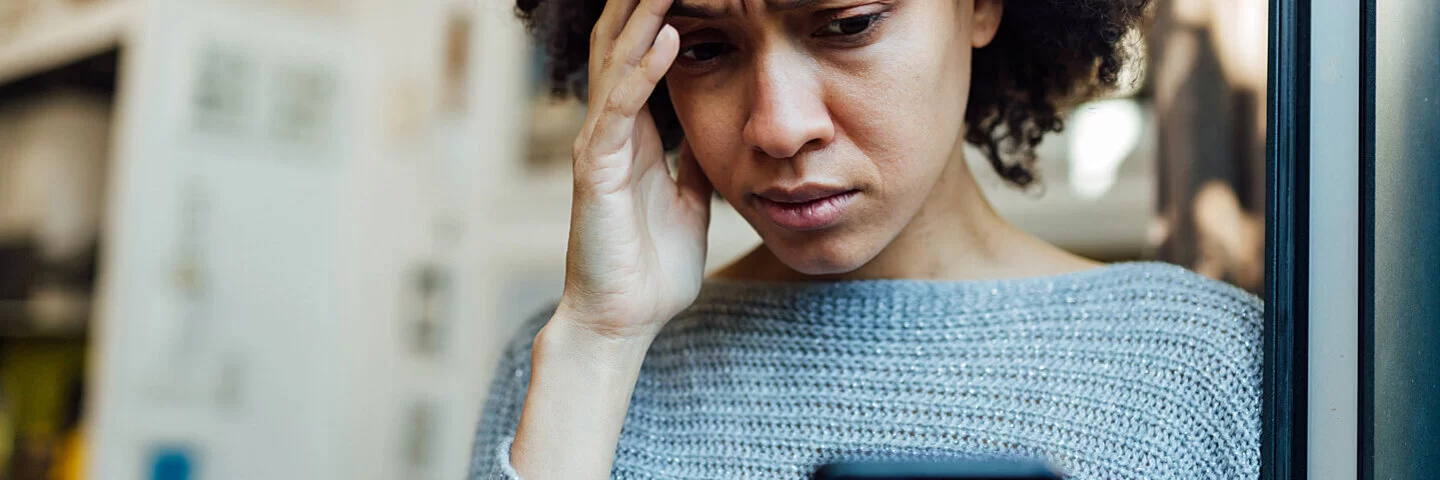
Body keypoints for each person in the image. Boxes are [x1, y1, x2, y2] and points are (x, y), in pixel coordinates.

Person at [471, 0, 1261, 478]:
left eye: (847, 24)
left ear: (981, 5)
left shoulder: (1199, 367)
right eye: (705, 48)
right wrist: (600, 341)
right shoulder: (570, 369)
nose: (779, 126)